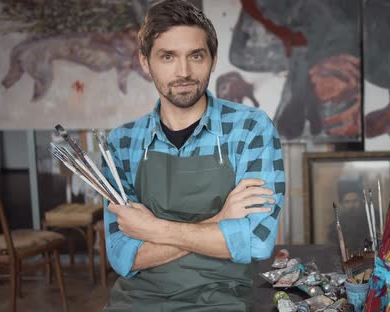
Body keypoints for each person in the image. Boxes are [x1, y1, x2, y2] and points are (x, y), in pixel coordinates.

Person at [100, 1, 285, 311]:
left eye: (196, 56)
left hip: (222, 298)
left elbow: (256, 241)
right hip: (136, 301)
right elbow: (123, 256)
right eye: (167, 57)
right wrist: (221, 220)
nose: (183, 72)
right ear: (145, 63)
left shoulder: (251, 128)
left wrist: (152, 229)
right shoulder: (121, 143)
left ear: (212, 60)